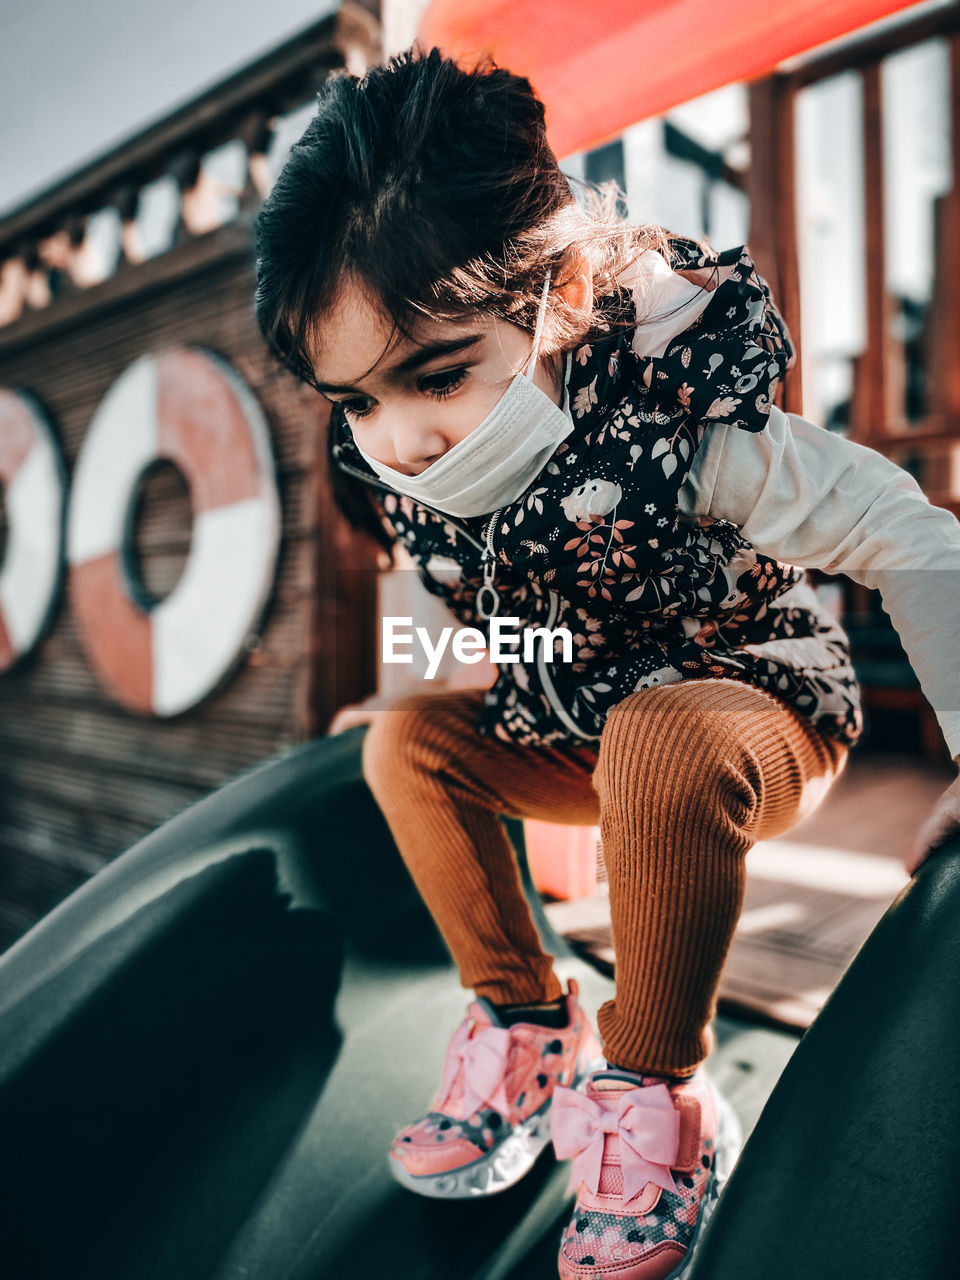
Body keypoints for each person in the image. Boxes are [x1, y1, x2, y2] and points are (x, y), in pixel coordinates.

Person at [253, 45, 960, 1280]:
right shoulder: (409, 475)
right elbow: (462, 606)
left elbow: (913, 536)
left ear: (563, 288)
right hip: (578, 720)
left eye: (434, 374)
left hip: (754, 710)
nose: (400, 438)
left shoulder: (678, 434)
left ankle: (656, 1093)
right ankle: (528, 1021)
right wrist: (432, 687)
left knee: (657, 733)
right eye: (355, 400)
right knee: (402, 745)